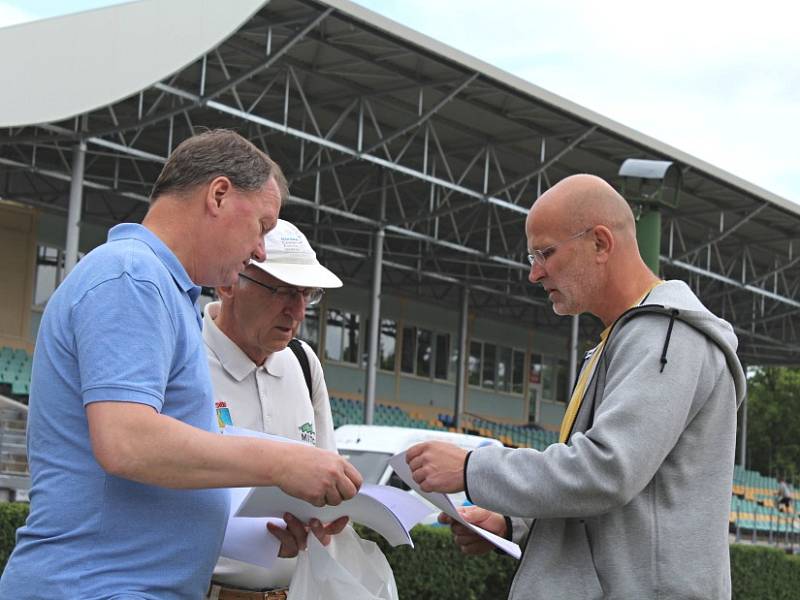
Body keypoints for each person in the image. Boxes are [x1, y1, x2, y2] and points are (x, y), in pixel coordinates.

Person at [0, 130, 362, 600]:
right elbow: (127, 442)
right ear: (218, 195)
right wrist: (280, 462)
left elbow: (139, 482)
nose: (259, 250)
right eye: (261, 226)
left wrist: (253, 533)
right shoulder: (133, 277)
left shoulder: (163, 289)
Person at [406, 174, 746, 599]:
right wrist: (513, 523)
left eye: (545, 253)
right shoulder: (626, 338)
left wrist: (471, 468)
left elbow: (607, 471)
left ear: (601, 243)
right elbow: (615, 504)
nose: (534, 273)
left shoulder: (666, 337)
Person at [204, 219, 347, 599]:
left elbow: (325, 470)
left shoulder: (302, 361)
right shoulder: (184, 357)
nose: (297, 311)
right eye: (282, 291)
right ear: (228, 282)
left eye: (307, 294)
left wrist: (325, 519)